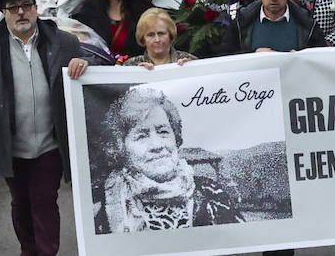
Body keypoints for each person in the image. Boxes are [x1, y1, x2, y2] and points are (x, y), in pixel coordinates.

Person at [0, 0, 89, 256]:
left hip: (49, 142)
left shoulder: (63, 42)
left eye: (27, 6)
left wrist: (84, 64)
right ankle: (28, 249)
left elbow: (93, 71)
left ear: (36, 9)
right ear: (3, 13)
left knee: (43, 200)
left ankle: (45, 251)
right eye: (13, 8)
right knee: (20, 202)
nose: (21, 13)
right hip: (9, 144)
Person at [92, 83, 242, 233]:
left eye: (163, 132)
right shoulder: (99, 202)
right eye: (141, 136)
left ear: (175, 137)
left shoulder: (211, 193)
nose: (157, 145)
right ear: (121, 147)